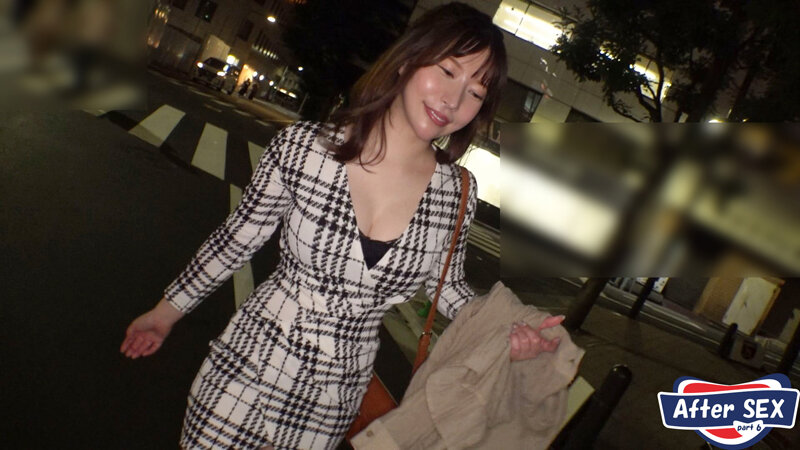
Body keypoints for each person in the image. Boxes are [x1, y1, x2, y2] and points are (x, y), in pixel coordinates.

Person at [120, 3, 562, 449]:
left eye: (475, 92)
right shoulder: (305, 149)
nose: (453, 100)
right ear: (408, 60)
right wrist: (165, 313)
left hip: (330, 405)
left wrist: (508, 328)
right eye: (447, 71)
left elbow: (448, 290)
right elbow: (238, 239)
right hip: (247, 369)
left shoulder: (455, 194)